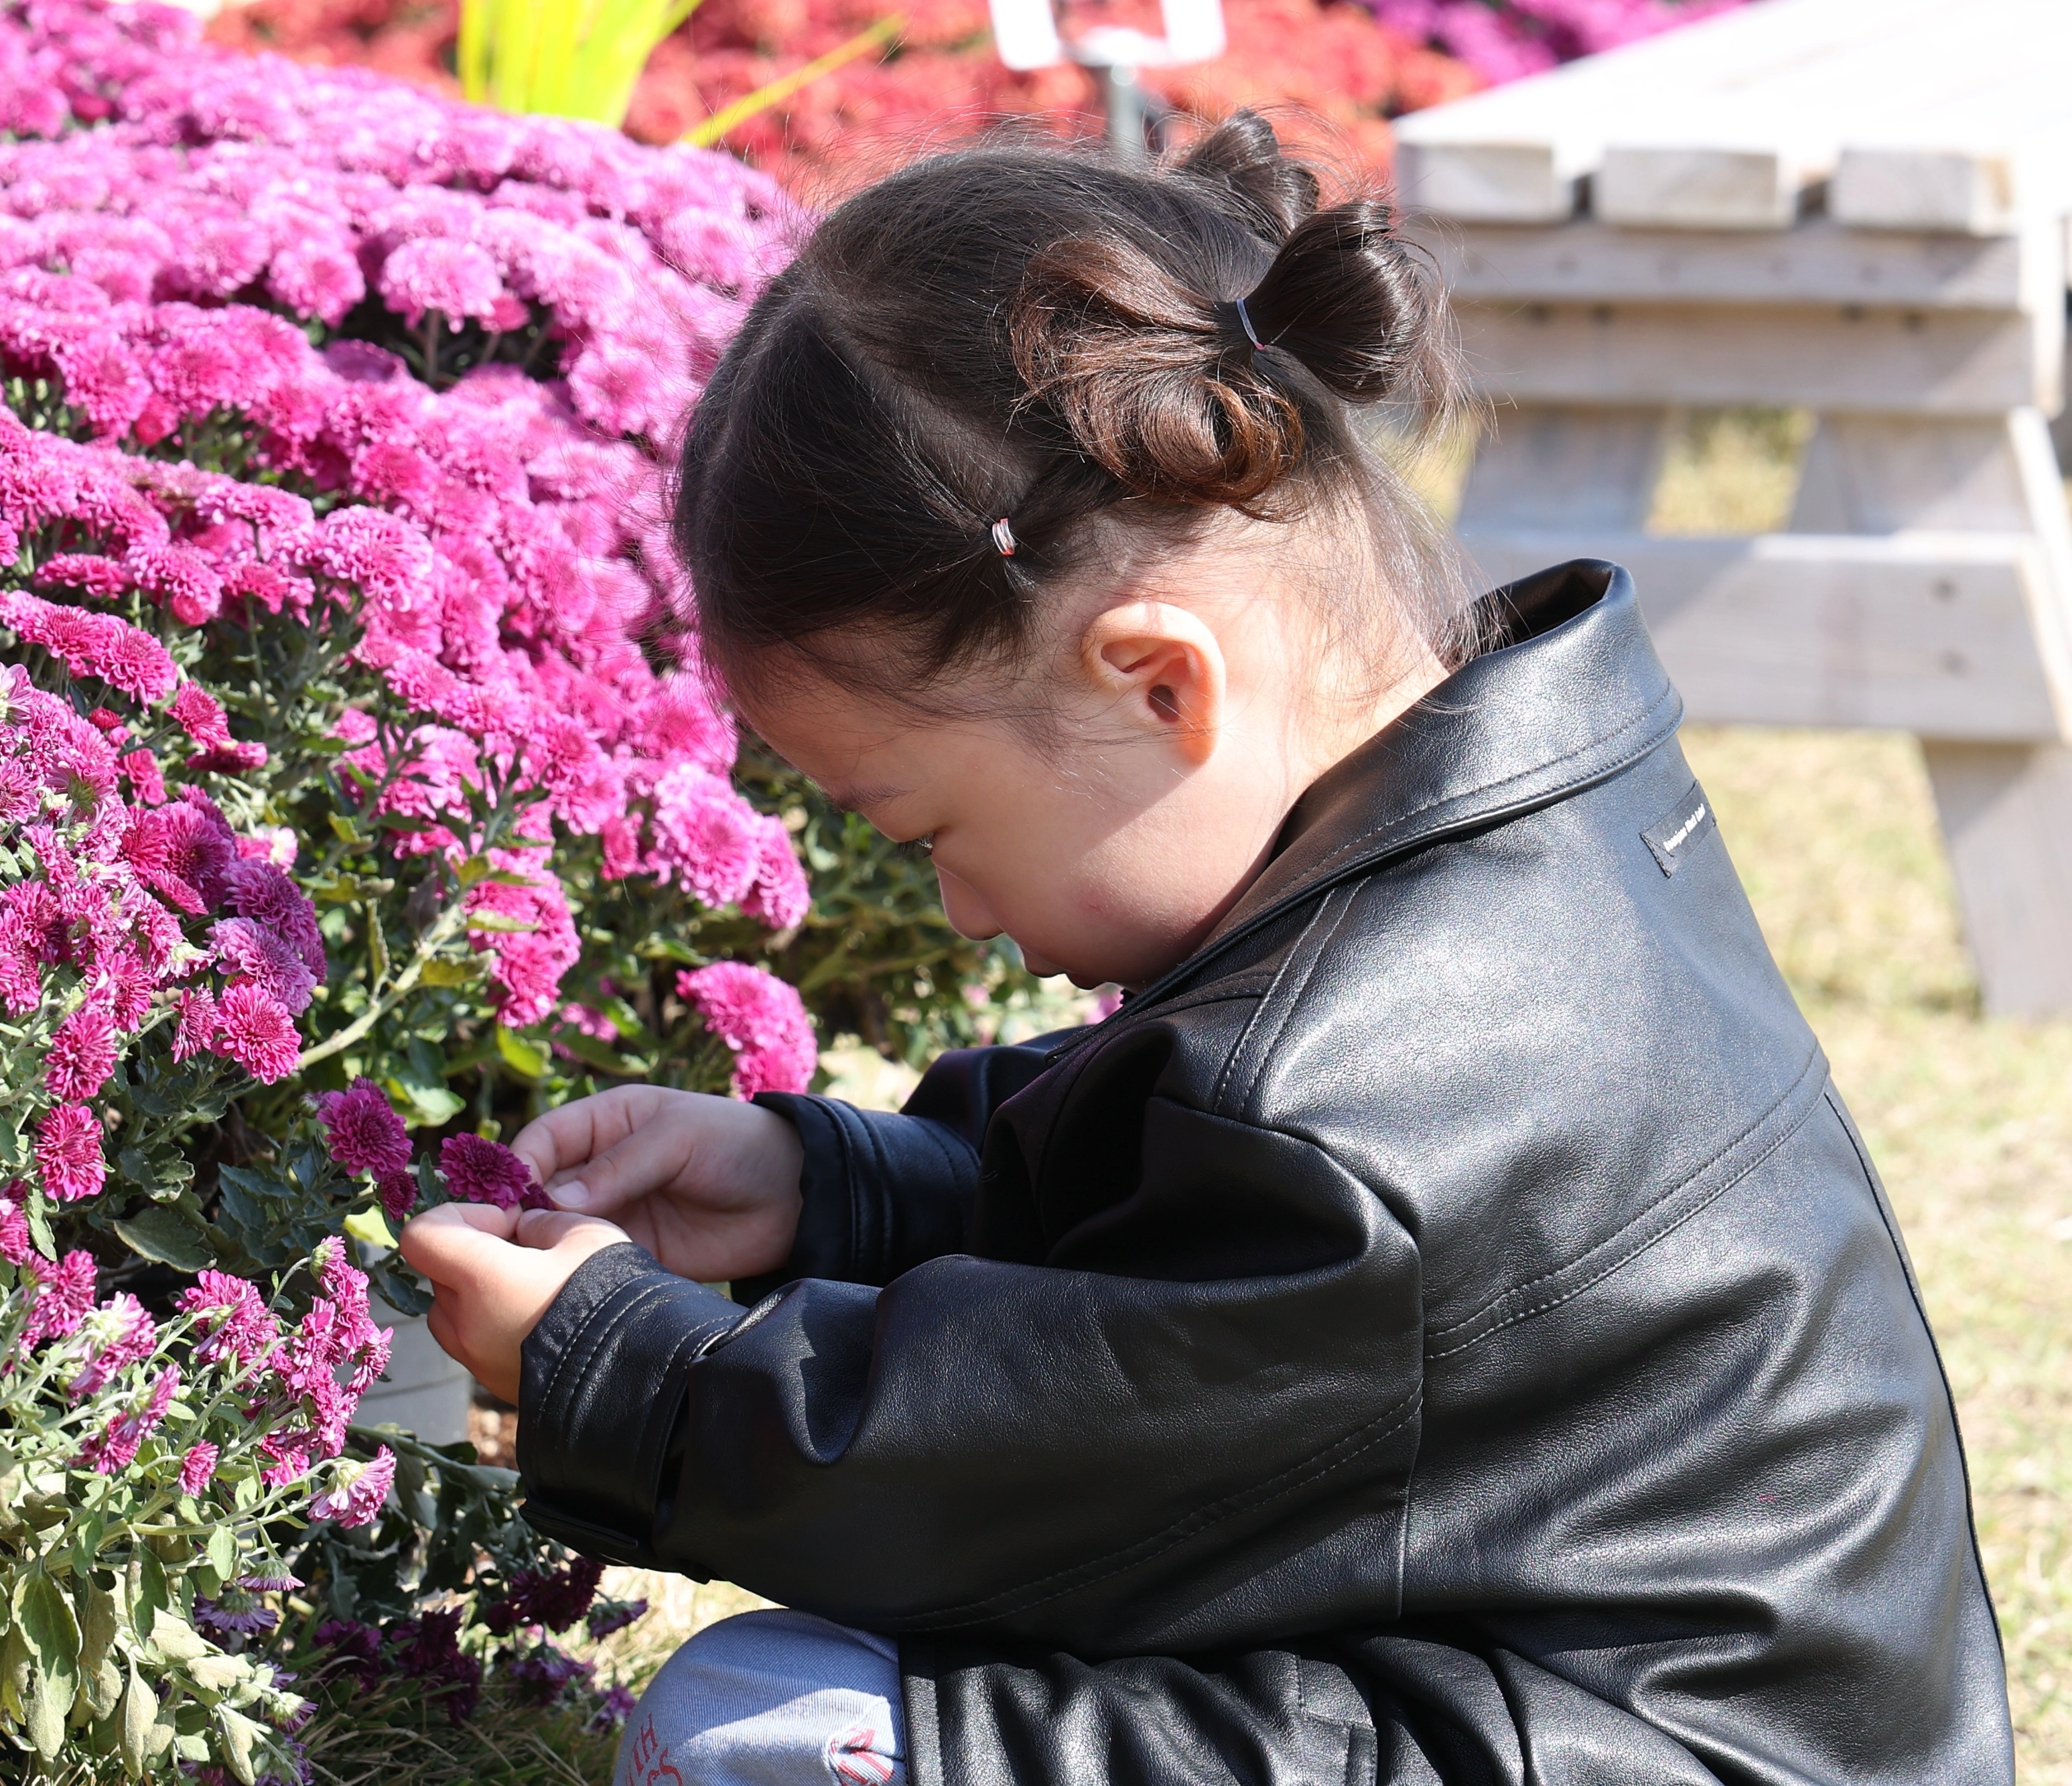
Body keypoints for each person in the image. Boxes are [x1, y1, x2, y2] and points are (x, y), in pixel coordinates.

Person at [399, 113, 2014, 1786]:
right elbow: (1189, 1268)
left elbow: (991, 1480)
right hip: (1667, 1712)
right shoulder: (1533, 827)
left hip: (1637, 1750)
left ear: (1157, 684)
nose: (954, 906)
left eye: (924, 827)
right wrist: (834, 1191)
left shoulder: (1338, 1110)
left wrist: (604, 1368)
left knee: (766, 1723)